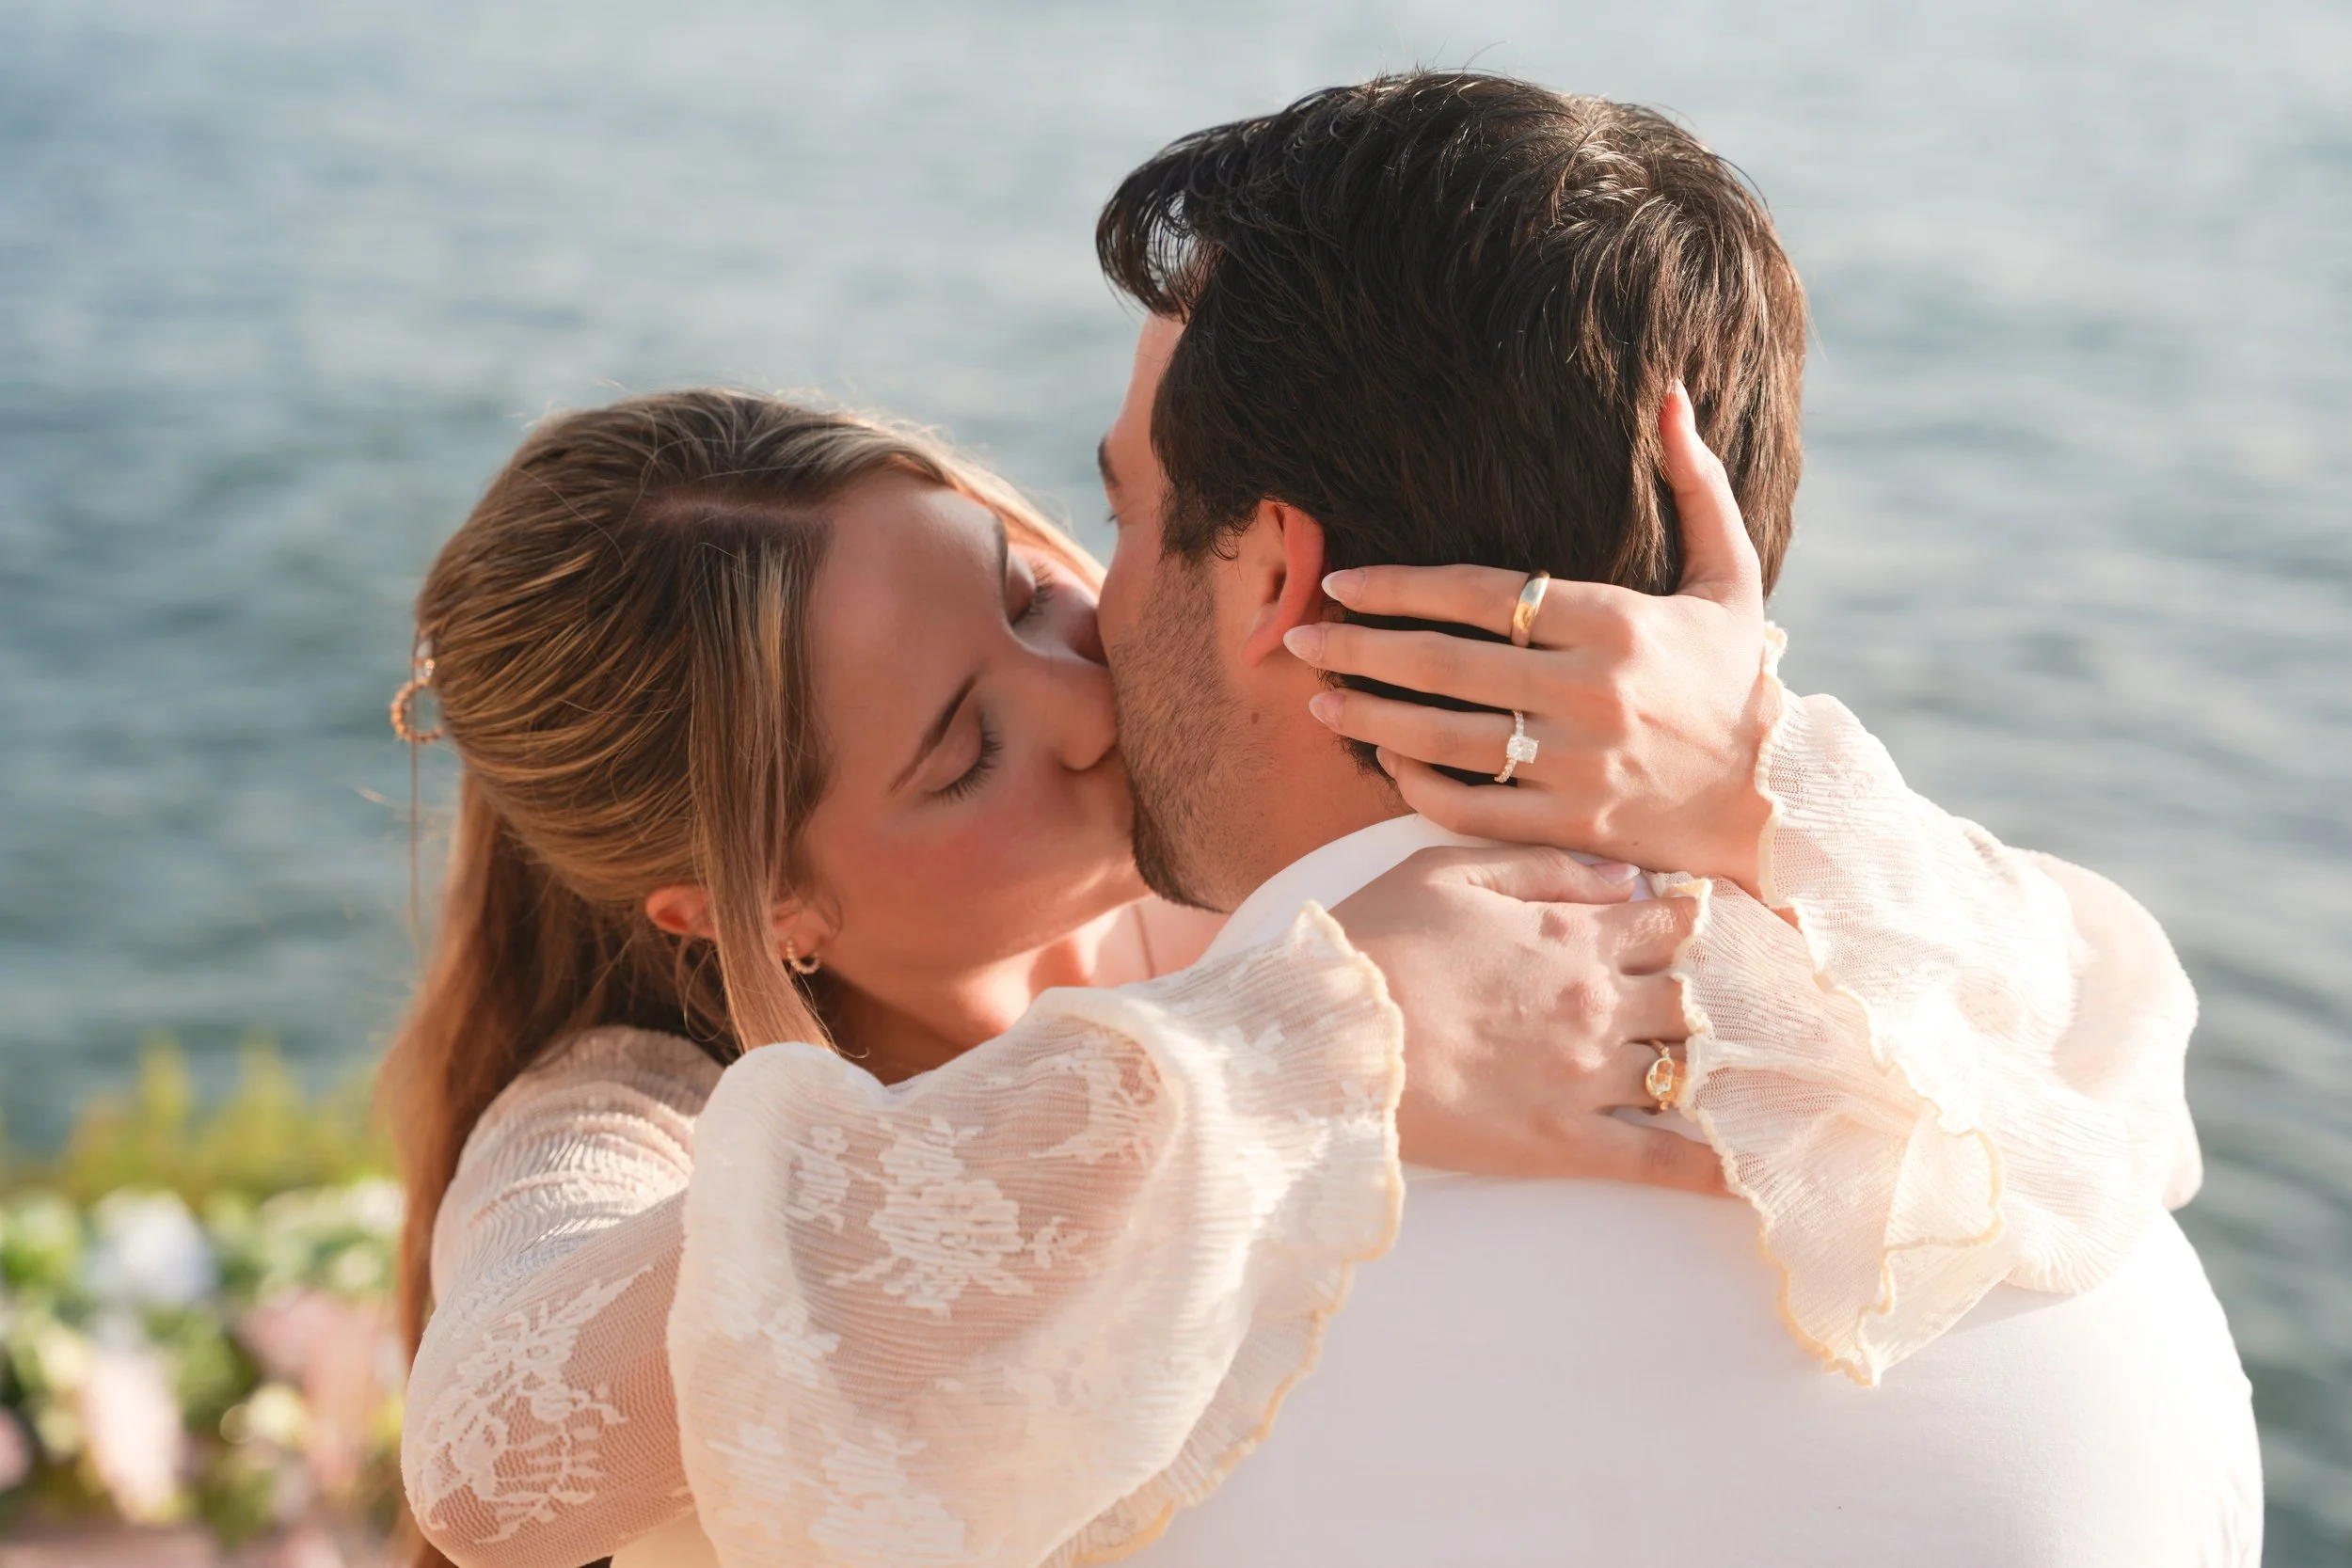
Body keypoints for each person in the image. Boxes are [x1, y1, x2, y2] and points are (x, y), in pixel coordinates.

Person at [396, 76, 2251, 1568]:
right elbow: (485, 1445)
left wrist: (1767, 779)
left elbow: (2109, 1021)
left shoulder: (1256, 916)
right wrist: (1300, 1034)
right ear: (755, 902)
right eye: (956, 749)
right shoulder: (632, 1106)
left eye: (1039, 579)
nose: (1079, 685)